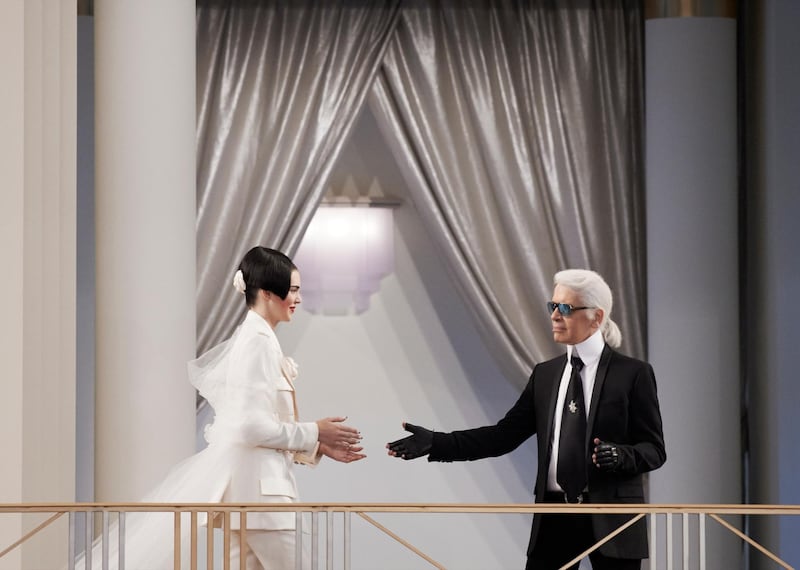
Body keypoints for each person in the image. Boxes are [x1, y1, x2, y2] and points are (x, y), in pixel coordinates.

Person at [76, 246, 365, 570]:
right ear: (269, 293)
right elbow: (250, 427)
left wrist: (317, 443)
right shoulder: (257, 342)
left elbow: (254, 429)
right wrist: (314, 431)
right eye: (294, 290)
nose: (298, 299)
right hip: (263, 503)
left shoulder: (258, 338)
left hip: (251, 499)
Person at [386, 269, 665, 570]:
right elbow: (502, 436)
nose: (555, 315)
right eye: (553, 306)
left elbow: (654, 449)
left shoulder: (633, 374)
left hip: (613, 519)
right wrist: (436, 443)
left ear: (597, 317)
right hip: (554, 517)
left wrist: (623, 456)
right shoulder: (546, 374)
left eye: (566, 308)